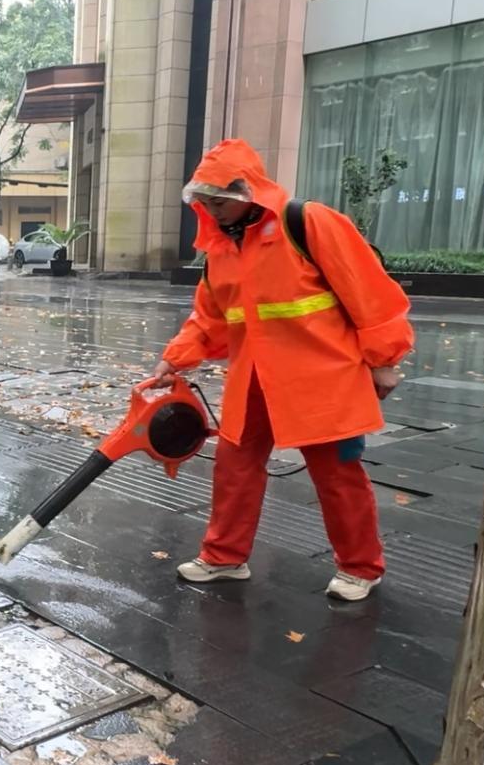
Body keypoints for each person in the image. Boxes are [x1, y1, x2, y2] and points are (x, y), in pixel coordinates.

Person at [150, 139, 414, 601]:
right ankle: (224, 557)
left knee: (337, 474)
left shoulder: (306, 222)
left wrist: (385, 360)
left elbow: (368, 291)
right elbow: (210, 318)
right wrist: (174, 359)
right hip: (253, 378)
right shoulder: (221, 251)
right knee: (234, 467)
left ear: (247, 191)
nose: (212, 211)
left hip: (322, 377)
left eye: (220, 201)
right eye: (205, 203)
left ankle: (360, 566)